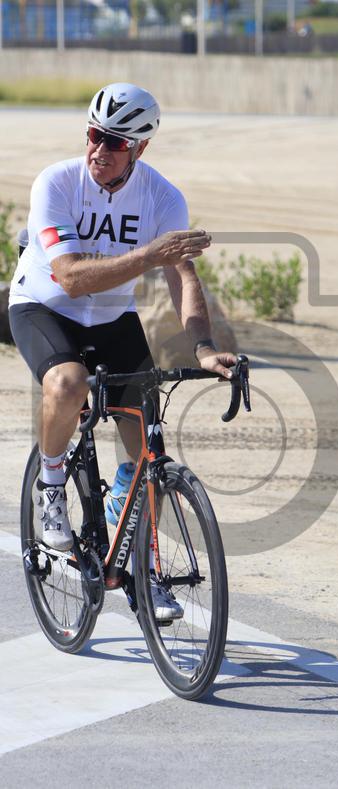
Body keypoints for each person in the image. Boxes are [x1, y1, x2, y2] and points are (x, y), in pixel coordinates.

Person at [9, 82, 236, 619]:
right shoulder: (56, 182)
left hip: (112, 318)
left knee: (149, 454)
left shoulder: (162, 197)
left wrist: (204, 347)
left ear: (140, 148)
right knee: (68, 384)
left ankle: (145, 568)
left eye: (114, 142)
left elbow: (182, 276)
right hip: (44, 306)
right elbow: (69, 278)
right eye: (94, 134)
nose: (98, 150)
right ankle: (50, 484)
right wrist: (149, 255)